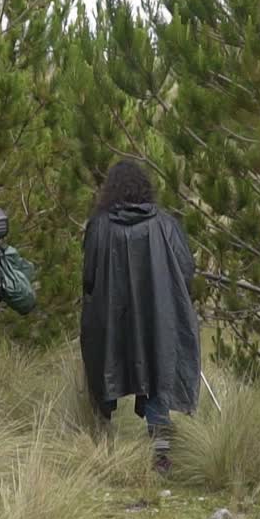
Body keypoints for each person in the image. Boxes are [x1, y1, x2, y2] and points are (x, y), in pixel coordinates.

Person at [80, 160, 201, 474]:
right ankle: (160, 454)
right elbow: (186, 271)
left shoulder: (99, 224)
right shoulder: (165, 224)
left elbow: (89, 276)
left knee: (105, 370)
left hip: (110, 319)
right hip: (157, 318)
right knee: (158, 371)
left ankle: (102, 447)